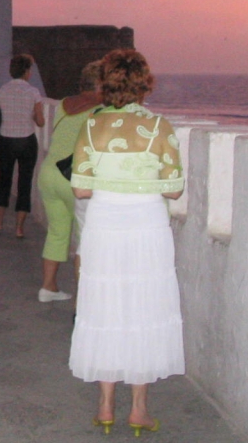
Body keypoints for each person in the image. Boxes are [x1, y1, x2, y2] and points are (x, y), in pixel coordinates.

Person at [68, 49, 184, 435]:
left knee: (104, 307)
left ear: (107, 83)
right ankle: (138, 409)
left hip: (104, 226)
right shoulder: (160, 126)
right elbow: (174, 189)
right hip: (147, 226)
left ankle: (104, 405)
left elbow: (81, 190)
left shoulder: (90, 126)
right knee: (144, 309)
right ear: (143, 84)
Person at [36, 60, 103, 302]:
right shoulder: (100, 110)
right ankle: (84, 301)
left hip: (49, 173)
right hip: (73, 179)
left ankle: (48, 287)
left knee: (57, 232)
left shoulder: (63, 105)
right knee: (85, 239)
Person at [0, 54, 44, 238]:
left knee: (4, 181)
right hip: (27, 141)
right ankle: (19, 228)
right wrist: (30, 114)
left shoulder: (1, 90)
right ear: (26, 71)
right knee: (24, 184)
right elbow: (41, 122)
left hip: (6, 141)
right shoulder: (34, 92)